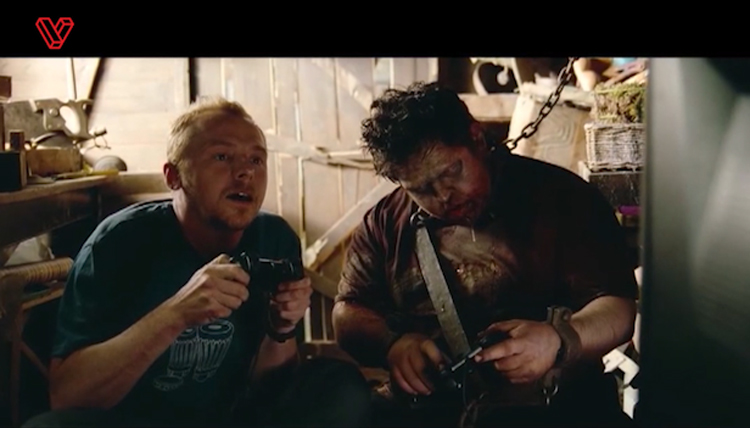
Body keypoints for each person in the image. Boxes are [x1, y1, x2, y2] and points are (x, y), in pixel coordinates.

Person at [23, 97, 372, 428]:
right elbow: (68, 397)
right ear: (173, 176)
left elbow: (269, 389)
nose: (245, 173)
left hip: (233, 419)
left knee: (341, 386)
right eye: (222, 156)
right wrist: (176, 314)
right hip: (136, 422)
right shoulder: (118, 243)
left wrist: (279, 329)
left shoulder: (274, 238)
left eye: (256, 160)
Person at [332, 82, 638, 427]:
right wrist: (393, 344)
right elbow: (348, 311)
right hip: (435, 411)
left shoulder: (563, 199)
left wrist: (559, 339)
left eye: (451, 172)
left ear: (476, 138)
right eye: (421, 189)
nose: (443, 196)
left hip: (554, 409)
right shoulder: (386, 223)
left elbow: (618, 308)